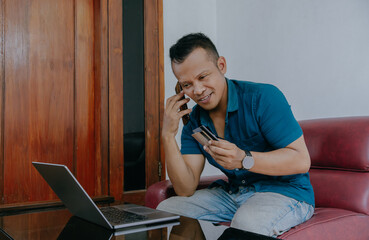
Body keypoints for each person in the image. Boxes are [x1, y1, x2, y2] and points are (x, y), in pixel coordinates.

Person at [157, 32, 314, 237]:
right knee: (168, 210)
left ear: (221, 66)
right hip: (235, 194)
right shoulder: (193, 121)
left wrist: (244, 159)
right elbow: (185, 189)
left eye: (203, 77)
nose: (198, 90)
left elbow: (301, 160)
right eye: (186, 85)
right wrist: (168, 135)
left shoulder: (263, 98)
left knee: (247, 222)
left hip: (285, 193)